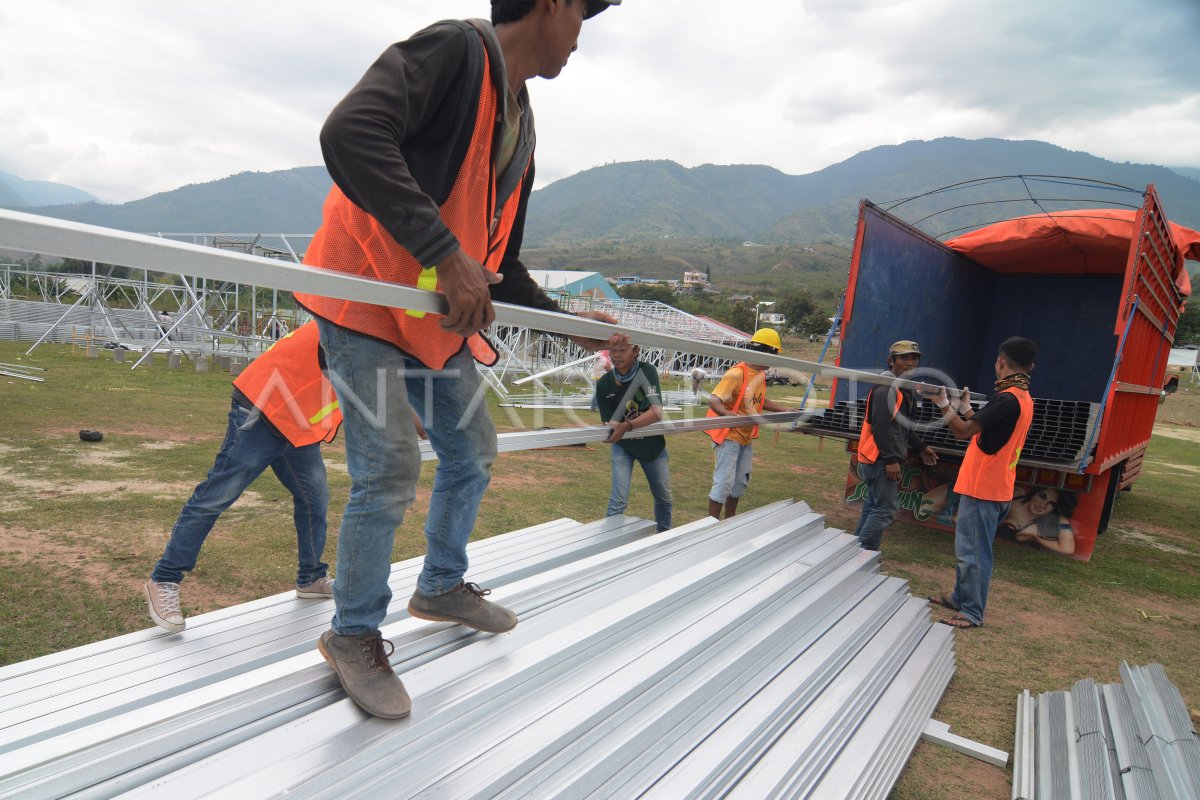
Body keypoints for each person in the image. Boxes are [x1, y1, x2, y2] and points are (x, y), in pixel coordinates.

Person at [290, 0, 624, 719]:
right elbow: (349, 133)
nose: (578, 40)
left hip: (432, 320)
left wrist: (574, 329)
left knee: (472, 450)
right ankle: (353, 633)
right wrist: (443, 254)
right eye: (582, 19)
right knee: (388, 467)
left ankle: (440, 585)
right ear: (554, 6)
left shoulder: (521, 123)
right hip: (362, 300)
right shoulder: (455, 52)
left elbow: (500, 261)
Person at [144, 321, 341, 633]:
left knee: (314, 498)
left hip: (297, 424)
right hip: (262, 411)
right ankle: (164, 579)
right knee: (217, 495)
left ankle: (311, 577)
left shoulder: (372, 332)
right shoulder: (349, 323)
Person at [925, 336, 1037, 629]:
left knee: (973, 553)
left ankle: (972, 612)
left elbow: (963, 432)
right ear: (1030, 366)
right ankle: (959, 599)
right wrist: (963, 407)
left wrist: (943, 406)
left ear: (1000, 361)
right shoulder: (1022, 398)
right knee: (970, 550)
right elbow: (984, 429)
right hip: (994, 486)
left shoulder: (1006, 398)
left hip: (984, 488)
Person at [852, 340, 938, 551]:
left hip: (879, 459)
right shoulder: (887, 388)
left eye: (914, 358)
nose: (910, 363)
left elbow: (902, 427)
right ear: (891, 361)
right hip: (879, 459)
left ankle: (854, 551)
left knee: (874, 506)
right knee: (886, 509)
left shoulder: (904, 389)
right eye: (904, 358)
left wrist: (921, 446)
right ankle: (861, 556)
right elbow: (881, 428)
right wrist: (891, 460)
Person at [704, 328, 793, 519]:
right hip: (728, 436)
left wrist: (784, 409)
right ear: (763, 352)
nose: (775, 359)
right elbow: (714, 399)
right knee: (724, 482)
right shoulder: (737, 374)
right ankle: (710, 525)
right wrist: (727, 414)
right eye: (774, 354)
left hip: (745, 437)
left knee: (740, 482)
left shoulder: (760, 374)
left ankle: (730, 520)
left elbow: (759, 401)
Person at [596, 342, 672, 531]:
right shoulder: (605, 383)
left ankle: (664, 537)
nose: (617, 355)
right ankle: (609, 546)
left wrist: (628, 425)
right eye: (613, 351)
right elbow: (609, 424)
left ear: (636, 351)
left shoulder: (647, 371)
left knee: (663, 496)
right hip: (623, 446)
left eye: (623, 350)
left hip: (652, 446)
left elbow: (656, 412)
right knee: (618, 500)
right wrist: (615, 430)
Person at [1004, 486, 1078, 555]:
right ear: (1034, 494)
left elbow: (1068, 549)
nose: (1042, 505)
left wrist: (1035, 537)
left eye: (1051, 504)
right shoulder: (1016, 497)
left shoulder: (1056, 519)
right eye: (1042, 497)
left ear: (1055, 508)